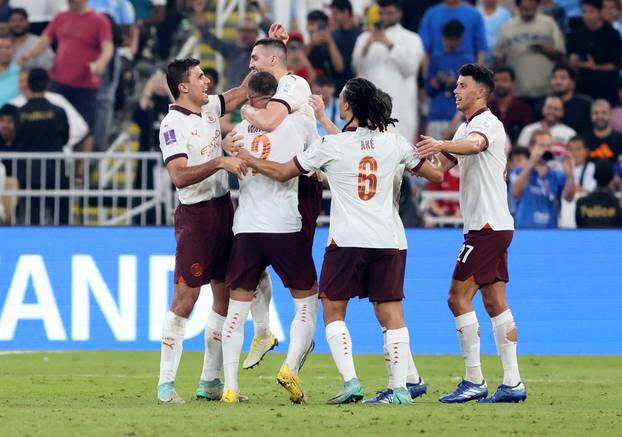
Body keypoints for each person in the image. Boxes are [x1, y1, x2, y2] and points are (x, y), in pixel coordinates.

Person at [239, 77, 442, 405]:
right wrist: (429, 157)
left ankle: (351, 382)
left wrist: (247, 158)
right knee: (392, 314)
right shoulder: (394, 142)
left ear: (347, 106)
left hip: (348, 240)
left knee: (334, 311)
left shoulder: (332, 146)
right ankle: (400, 389)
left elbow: (279, 172)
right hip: (389, 239)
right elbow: (435, 175)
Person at [416, 63, 526, 403]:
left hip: (487, 228)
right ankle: (513, 383)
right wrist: (405, 159)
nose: (455, 90)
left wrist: (439, 141)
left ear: (480, 91)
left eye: (462, 85)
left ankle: (474, 379)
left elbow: (475, 146)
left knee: (457, 298)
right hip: (490, 226)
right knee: (494, 303)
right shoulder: (465, 128)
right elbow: (437, 173)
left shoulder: (487, 124)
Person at [219, 72, 319, 404]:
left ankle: (230, 387)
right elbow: (316, 164)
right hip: (285, 226)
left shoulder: (237, 133)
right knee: (306, 301)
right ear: (277, 97)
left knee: (236, 309)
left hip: (246, 228)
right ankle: (290, 366)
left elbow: (226, 152)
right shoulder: (298, 124)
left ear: (250, 99)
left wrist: (226, 146)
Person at [155, 57, 249, 404]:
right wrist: (220, 161)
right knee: (186, 298)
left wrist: (268, 56)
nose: (206, 81)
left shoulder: (209, 106)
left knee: (225, 295)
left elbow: (240, 93)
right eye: (199, 76)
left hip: (223, 208)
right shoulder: (171, 125)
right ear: (183, 86)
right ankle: (166, 384)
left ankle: (209, 380)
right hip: (195, 217)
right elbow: (178, 175)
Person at [240, 35, 324, 370]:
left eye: (255, 58)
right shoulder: (271, 92)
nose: (250, 64)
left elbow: (269, 120)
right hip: (268, 181)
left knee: (297, 272)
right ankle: (263, 331)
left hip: (299, 185)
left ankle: (302, 338)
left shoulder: (293, 84)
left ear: (273, 62)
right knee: (251, 258)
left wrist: (244, 107)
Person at [20, 0, 114, 157]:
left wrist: (101, 63)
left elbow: (108, 47)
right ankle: (59, 162)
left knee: (85, 127)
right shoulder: (60, 17)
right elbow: (45, 39)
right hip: (58, 81)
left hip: (85, 84)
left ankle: (80, 171)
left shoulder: (99, 20)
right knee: (56, 122)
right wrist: (28, 55)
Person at [351, 0, 424, 142]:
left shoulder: (411, 38)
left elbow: (410, 68)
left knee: (402, 151)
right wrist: (367, 45)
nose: (384, 17)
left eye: (389, 13)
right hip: (371, 105)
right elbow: (356, 67)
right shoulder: (364, 38)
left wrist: (389, 45)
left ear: (399, 13)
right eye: (381, 13)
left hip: (401, 106)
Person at [13, 68, 70, 225]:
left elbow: (14, 140)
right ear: (47, 84)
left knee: (32, 216)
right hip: (54, 170)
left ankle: (32, 245)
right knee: (60, 215)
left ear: (28, 84)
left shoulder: (18, 113)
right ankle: (64, 244)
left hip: (28, 172)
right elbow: (65, 138)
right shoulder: (58, 112)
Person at [493, 0, 566, 106]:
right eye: (525, 9)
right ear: (517, 7)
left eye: (533, 9)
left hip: (545, 91)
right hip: (516, 93)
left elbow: (561, 53)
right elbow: (498, 57)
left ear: (538, 6)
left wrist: (545, 49)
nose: (529, 12)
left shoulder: (549, 24)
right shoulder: (507, 27)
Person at [509, 130, 576, 228]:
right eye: (542, 146)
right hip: (524, 232)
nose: (546, 149)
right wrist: (531, 162)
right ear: (531, 147)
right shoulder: (518, 171)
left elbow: (569, 198)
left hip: (550, 232)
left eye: (549, 146)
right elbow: (515, 193)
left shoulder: (557, 175)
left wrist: (570, 175)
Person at [10, 69, 89, 153]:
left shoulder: (57, 100)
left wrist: (57, 141)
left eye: (26, 80)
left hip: (55, 157)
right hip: (23, 160)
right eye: (20, 81)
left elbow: (81, 128)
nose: (24, 84)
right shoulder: (12, 106)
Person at [192, 0, 262, 88]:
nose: (245, 34)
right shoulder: (231, 50)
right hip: (233, 97)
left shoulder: (262, 52)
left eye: (249, 31)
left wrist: (260, 12)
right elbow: (207, 36)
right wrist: (199, 11)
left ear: (256, 34)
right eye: (242, 30)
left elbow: (274, 38)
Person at [425, 19, 474, 140]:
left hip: (457, 115)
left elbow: (470, 89)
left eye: (455, 39)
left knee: (457, 157)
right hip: (436, 114)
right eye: (448, 39)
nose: (451, 43)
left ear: (461, 38)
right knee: (433, 156)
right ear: (443, 38)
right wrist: (435, 83)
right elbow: (428, 90)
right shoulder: (436, 58)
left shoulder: (467, 60)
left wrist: (453, 83)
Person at [567, 0, 622, 104]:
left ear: (600, 12)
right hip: (583, 86)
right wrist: (573, 60)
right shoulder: (577, 33)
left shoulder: (611, 34)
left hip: (606, 86)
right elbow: (571, 54)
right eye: (584, 12)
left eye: (591, 12)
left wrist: (595, 67)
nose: (587, 16)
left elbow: (616, 64)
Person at [419, 0, 487, 65]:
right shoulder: (431, 15)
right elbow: (424, 49)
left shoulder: (475, 15)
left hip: (466, 72)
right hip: (438, 73)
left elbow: (481, 49)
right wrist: (427, 75)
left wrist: (479, 75)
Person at [536, 62, 593, 134]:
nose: (558, 82)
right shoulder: (542, 104)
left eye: (563, 78)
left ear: (573, 83)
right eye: (554, 77)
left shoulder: (584, 105)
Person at [488, 67, 534, 144]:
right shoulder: (488, 108)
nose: (500, 84)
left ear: (513, 83)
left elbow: (528, 134)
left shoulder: (524, 108)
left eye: (504, 80)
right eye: (496, 80)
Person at [575, 159, 622, 227]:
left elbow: (579, 226)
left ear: (594, 176)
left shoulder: (581, 202)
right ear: (613, 178)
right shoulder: (618, 204)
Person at [328, 0, 362, 94]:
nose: (332, 17)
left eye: (335, 13)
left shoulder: (361, 36)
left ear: (346, 13)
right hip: (335, 90)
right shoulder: (332, 35)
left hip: (355, 89)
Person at [305, 10, 345, 80]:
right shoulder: (302, 45)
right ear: (307, 27)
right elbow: (295, 64)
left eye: (319, 25)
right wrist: (311, 44)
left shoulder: (331, 44)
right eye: (311, 24)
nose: (315, 28)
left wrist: (330, 42)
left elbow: (339, 68)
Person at [478, 0, 512, 64]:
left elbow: (509, 36)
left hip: (499, 58)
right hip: (479, 57)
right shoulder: (476, 12)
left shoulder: (505, 14)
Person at [0, 35, 19, 106]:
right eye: (0, 48)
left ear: (14, 50)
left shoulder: (22, 75)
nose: (3, 51)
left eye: (8, 48)